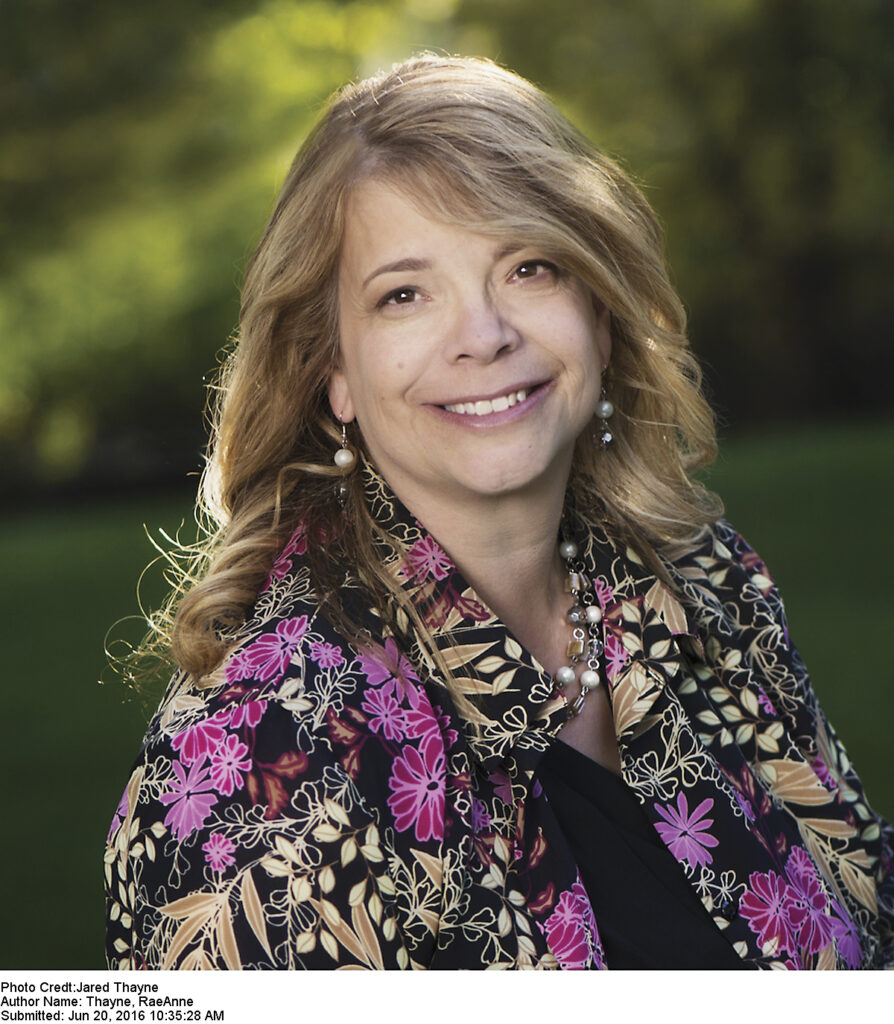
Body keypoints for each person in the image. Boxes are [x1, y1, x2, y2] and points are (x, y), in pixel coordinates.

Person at [105, 53, 893, 970]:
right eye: (404, 294)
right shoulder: (264, 752)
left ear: (599, 312)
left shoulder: (708, 583)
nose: (484, 335)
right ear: (334, 372)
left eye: (528, 267)